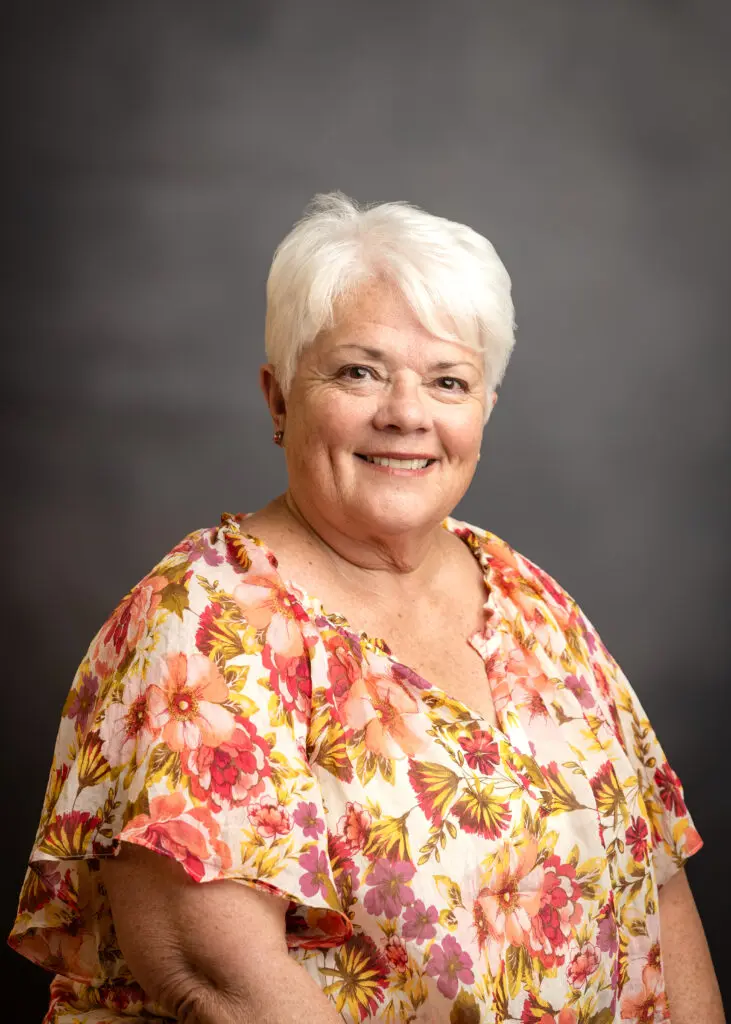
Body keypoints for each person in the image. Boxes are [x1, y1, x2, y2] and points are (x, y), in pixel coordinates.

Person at [9, 193, 724, 1024]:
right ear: (278, 401)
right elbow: (223, 980)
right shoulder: (204, 622)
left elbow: (658, 893)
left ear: (483, 413)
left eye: (448, 381)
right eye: (359, 371)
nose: (406, 414)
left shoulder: (531, 600)